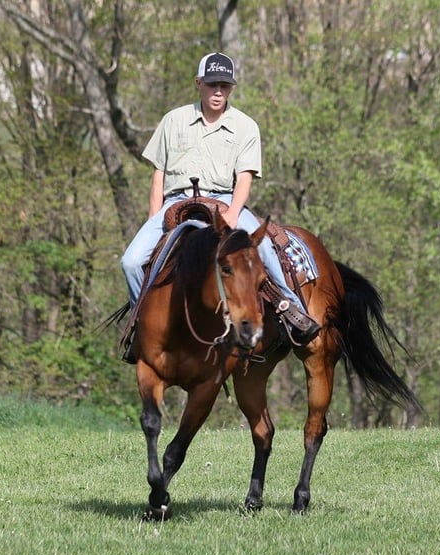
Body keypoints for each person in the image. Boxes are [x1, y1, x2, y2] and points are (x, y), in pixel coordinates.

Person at [120, 52, 320, 363]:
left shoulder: (245, 126)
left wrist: (231, 213)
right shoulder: (173, 120)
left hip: (226, 199)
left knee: (264, 246)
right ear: (198, 83)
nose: (218, 91)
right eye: (212, 84)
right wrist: (154, 217)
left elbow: (245, 177)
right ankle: (142, 326)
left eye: (225, 86)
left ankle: (291, 308)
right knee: (131, 262)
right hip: (176, 201)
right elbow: (158, 174)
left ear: (231, 88)